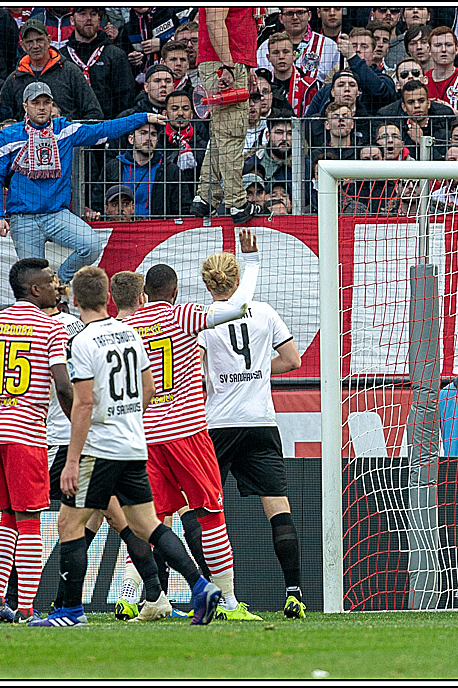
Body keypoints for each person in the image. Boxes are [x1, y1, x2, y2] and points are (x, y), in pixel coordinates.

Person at [27, 265, 221, 627]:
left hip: (99, 449)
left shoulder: (81, 341)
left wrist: (72, 461)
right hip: (133, 444)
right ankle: (200, 586)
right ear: (107, 297)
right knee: (147, 524)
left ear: (77, 300)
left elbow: (83, 403)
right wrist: (128, 419)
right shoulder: (130, 334)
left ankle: (69, 611)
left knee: (69, 525)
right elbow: (149, 388)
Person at [118, 230, 263, 622]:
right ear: (176, 290)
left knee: (152, 521)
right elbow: (238, 307)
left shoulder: (128, 327)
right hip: (187, 431)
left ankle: (148, 597)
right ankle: (230, 603)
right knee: (211, 512)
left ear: (144, 292)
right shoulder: (182, 315)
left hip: (146, 437)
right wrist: (250, 263)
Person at [0, 258, 74, 624]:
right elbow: (64, 386)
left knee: (5, 517)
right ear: (34, 289)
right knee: (31, 519)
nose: (57, 286)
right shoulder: (50, 328)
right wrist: (83, 428)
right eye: (51, 281)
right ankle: (25, 610)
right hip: (26, 433)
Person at [197, 245, 308, 618]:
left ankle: (217, 594)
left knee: (205, 509)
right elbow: (293, 360)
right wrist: (257, 369)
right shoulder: (263, 312)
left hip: (218, 424)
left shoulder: (202, 319)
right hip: (260, 420)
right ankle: (293, 592)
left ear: (207, 283)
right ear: (238, 278)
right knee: (278, 507)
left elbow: (195, 372)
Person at [0, 81, 166, 284]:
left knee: (91, 245)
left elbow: (102, 129)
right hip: (23, 218)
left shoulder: (66, 130)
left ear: (52, 105)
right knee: (33, 282)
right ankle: (45, 297)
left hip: (57, 214)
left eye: (46, 102)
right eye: (36, 102)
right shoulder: (9, 135)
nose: (41, 107)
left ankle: (59, 283)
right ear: (25, 106)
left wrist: (141, 118)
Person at [191, 7, 265, 223]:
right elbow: (214, 21)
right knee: (232, 135)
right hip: (223, 63)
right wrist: (228, 66)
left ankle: (206, 197)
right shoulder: (225, 64)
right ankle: (237, 203)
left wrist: (247, 66)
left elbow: (234, 24)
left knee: (222, 135)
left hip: (229, 62)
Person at [0, 18, 103, 122]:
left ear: (49, 40)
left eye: (39, 40)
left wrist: (72, 132)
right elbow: (2, 117)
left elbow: (94, 112)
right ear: (23, 46)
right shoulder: (15, 79)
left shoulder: (70, 72)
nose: (35, 46)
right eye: (29, 42)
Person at [62, 6, 134, 120]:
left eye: (93, 14)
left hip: (108, 128)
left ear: (99, 19)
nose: (89, 18)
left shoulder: (115, 55)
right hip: (72, 129)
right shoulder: (63, 57)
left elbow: (125, 98)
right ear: (72, 20)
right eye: (83, 14)